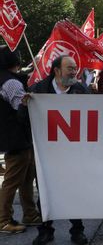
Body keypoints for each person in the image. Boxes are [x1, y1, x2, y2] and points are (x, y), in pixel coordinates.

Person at [24, 56, 89, 245]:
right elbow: (23, 120)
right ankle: (45, 231)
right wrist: (24, 105)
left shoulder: (81, 90)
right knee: (44, 192)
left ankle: (77, 231)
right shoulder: (38, 90)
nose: (74, 71)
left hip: (73, 152)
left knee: (73, 191)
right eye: (69, 68)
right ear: (56, 70)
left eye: (75, 67)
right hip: (46, 152)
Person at [0, 46, 38, 235]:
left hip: (13, 136)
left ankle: (30, 214)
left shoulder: (5, 79)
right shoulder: (12, 83)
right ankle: (3, 220)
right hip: (17, 137)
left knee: (26, 176)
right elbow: (21, 109)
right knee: (13, 180)